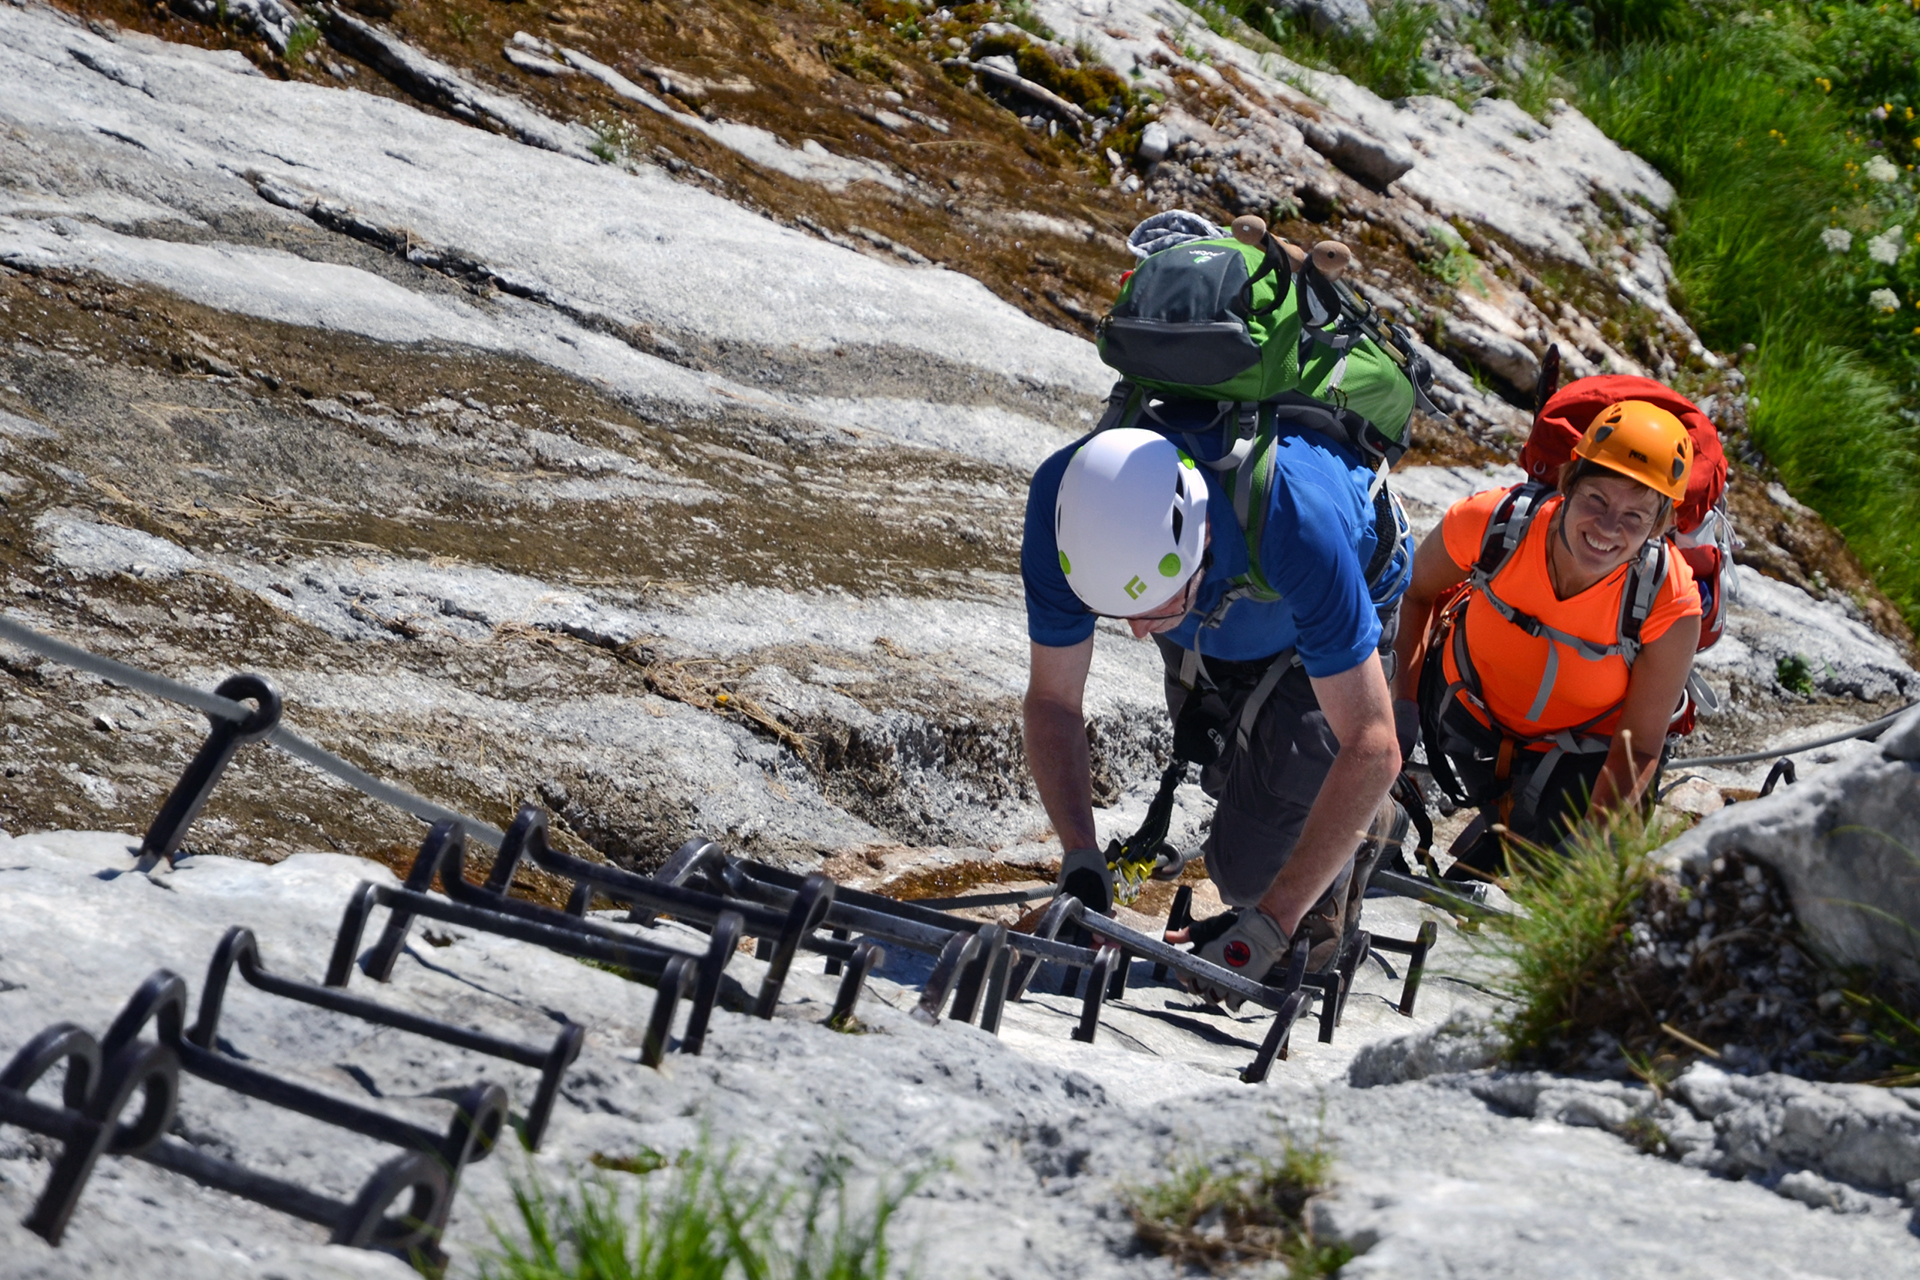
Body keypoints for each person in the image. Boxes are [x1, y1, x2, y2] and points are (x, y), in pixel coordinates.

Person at [1020, 406, 1412, 1001]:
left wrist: (1273, 924)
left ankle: (1362, 823)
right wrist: (1079, 852)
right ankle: (1325, 810)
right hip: (1226, 610)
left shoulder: (1298, 523)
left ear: (1201, 541)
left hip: (1331, 612)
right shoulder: (1065, 501)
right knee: (1235, 777)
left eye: (1151, 606)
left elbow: (1373, 745)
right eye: (1119, 609)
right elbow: (1052, 700)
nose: (1136, 633)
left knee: (1250, 876)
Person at [1391, 400, 1702, 879]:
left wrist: (1582, 849)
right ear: (1568, 481)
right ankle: (1504, 830)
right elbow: (1414, 594)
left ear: (1661, 526)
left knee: (1565, 881)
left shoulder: (1669, 601)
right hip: (1463, 722)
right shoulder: (1492, 524)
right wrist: (1401, 712)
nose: (1606, 529)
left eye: (1635, 517)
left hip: (1579, 756)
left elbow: (1638, 747)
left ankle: (1509, 839)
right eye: (1596, 499)